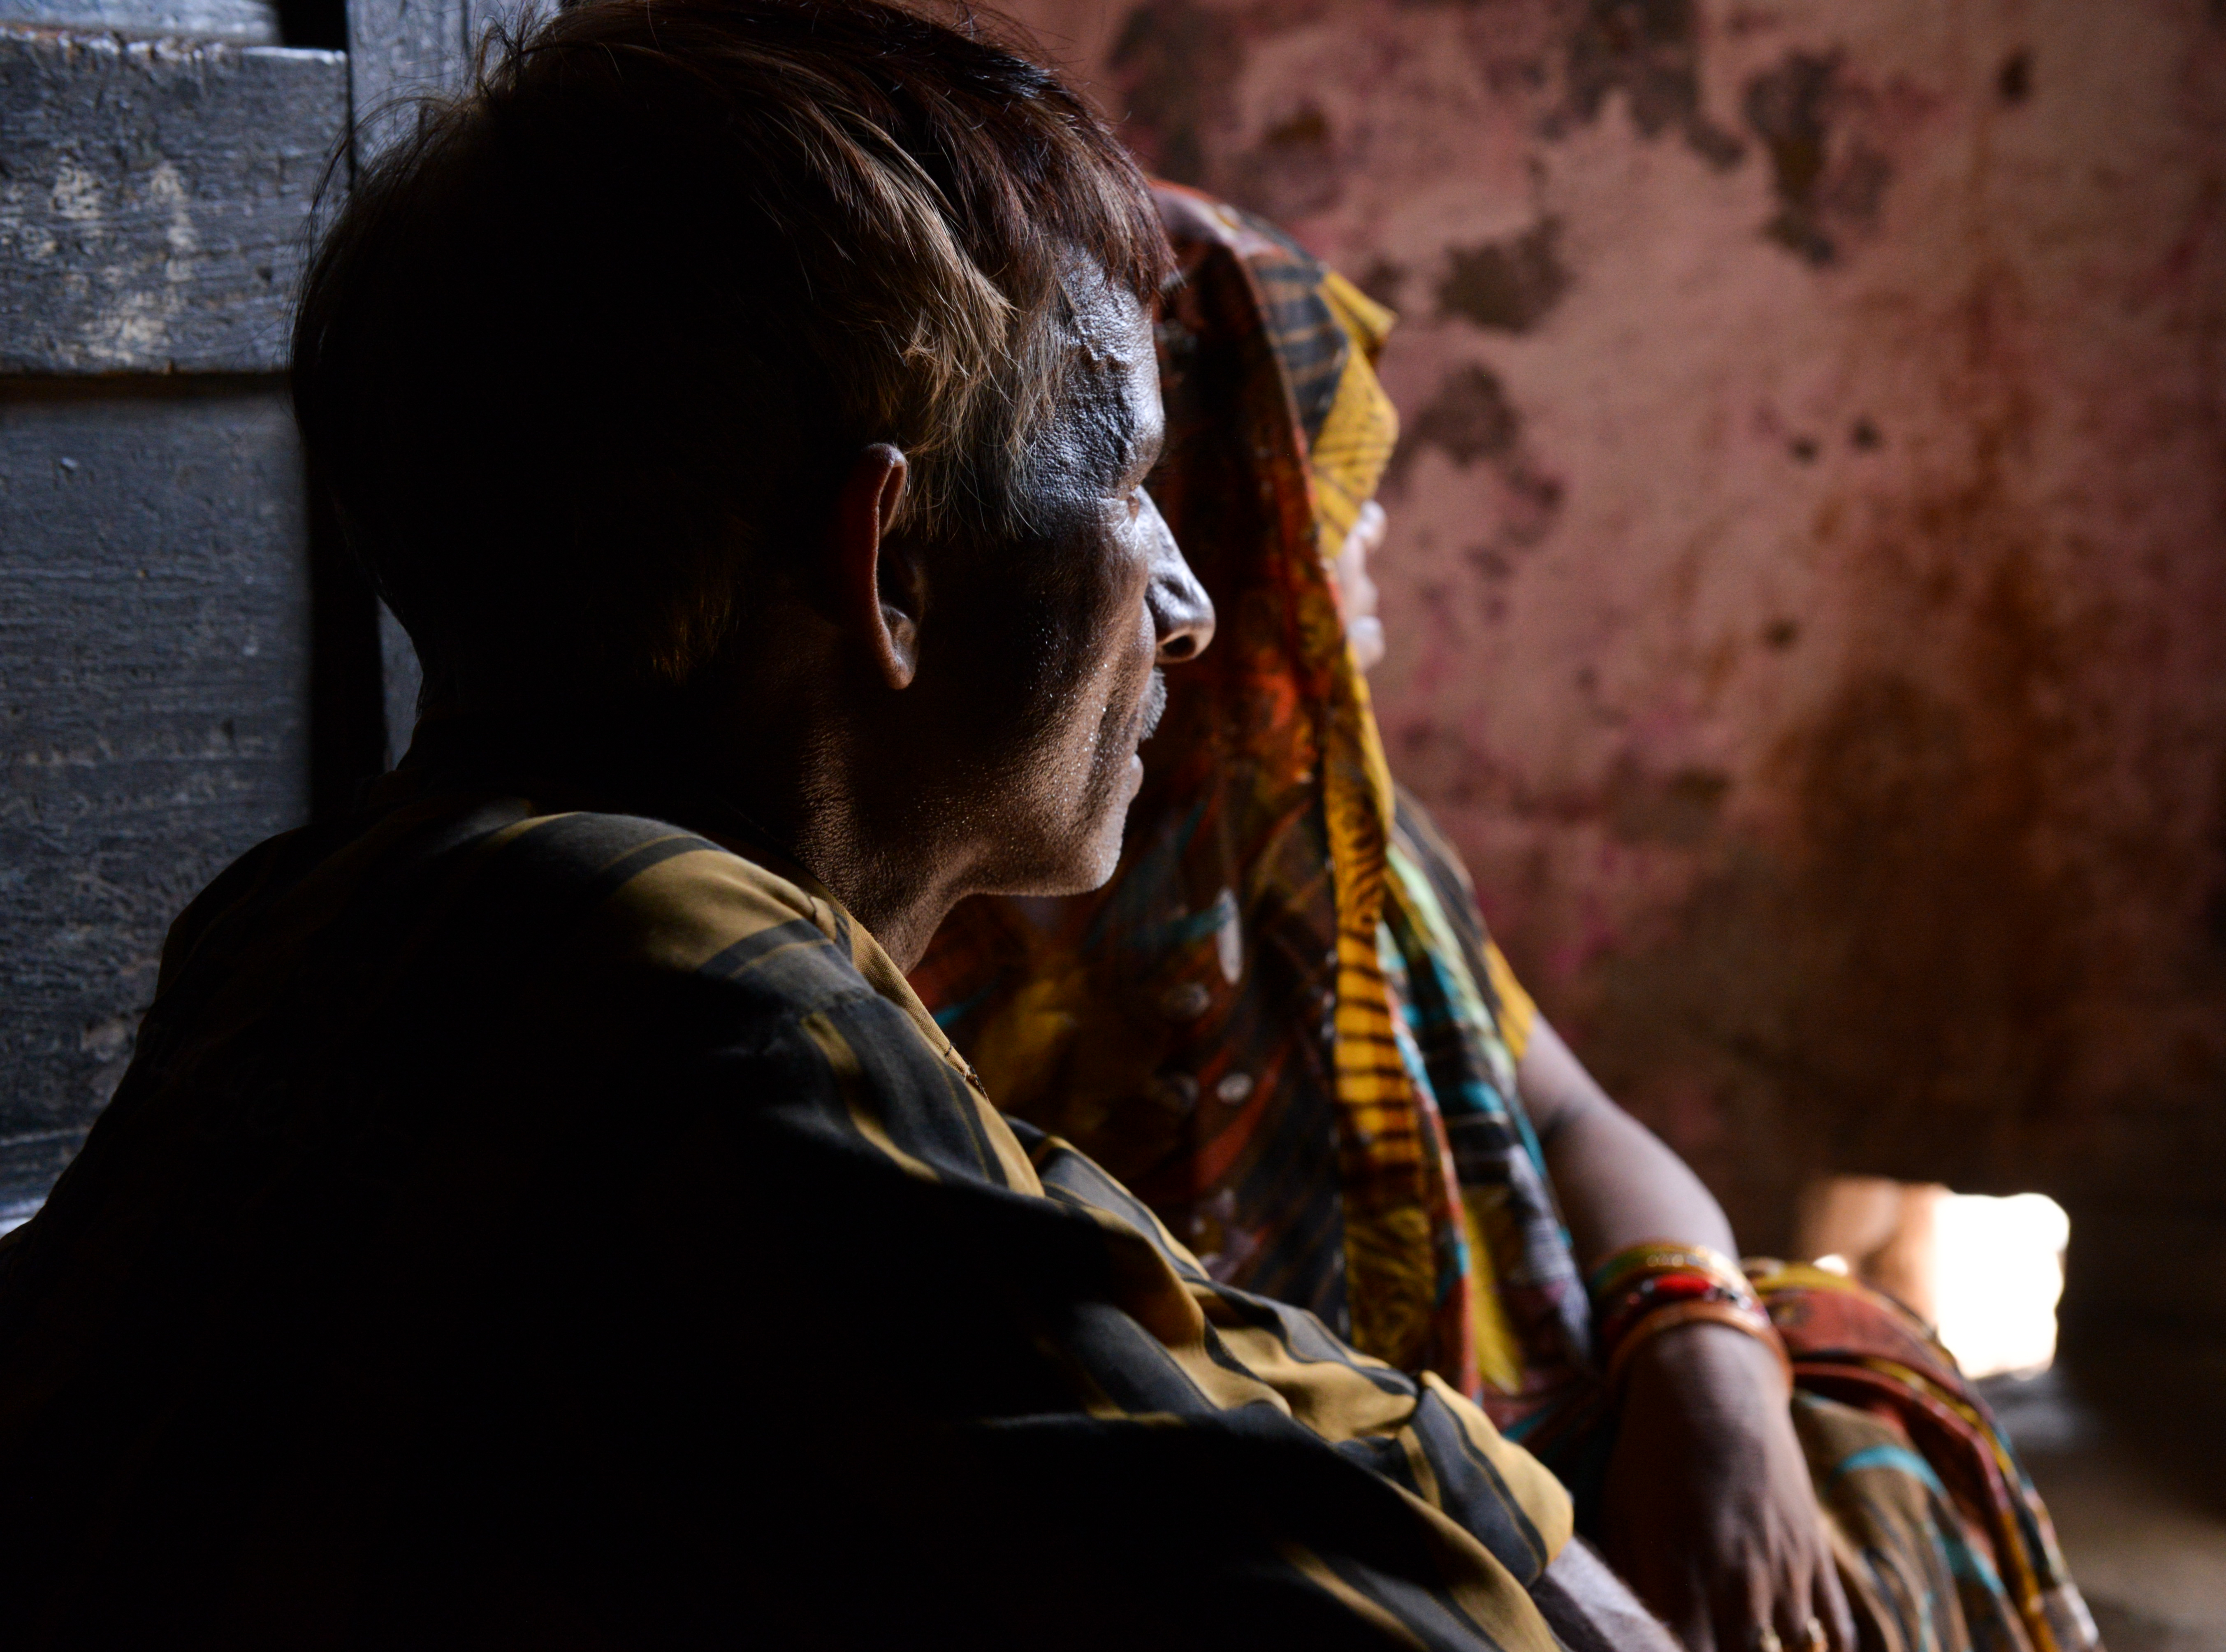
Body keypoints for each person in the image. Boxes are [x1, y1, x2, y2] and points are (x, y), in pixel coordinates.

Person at [0, 6, 1660, 1645]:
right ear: (892, 566)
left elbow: (1162, 1311)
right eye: (1130, 487)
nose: (1191, 604)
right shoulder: (684, 994)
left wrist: (1518, 1502)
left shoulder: (332, 906)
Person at [912, 189, 2104, 1652]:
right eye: (1330, 499)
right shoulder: (950, 926)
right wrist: (1545, 1555)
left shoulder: (1336, 839)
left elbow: (1579, 1123)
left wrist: (1709, 1372)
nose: (1375, 533)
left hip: (1476, 1429)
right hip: (1278, 1505)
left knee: (1849, 1400)